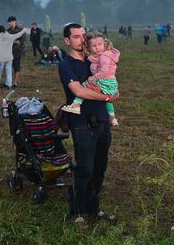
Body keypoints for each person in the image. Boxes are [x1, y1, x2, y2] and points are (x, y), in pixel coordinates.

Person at [58, 23, 118, 224]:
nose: (82, 40)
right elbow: (79, 91)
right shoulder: (66, 65)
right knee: (85, 169)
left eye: (84, 36)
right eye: (76, 36)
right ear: (67, 40)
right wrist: (106, 98)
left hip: (102, 120)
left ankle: (94, 208)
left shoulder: (96, 60)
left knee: (100, 168)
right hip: (82, 123)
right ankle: (78, 211)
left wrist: (113, 93)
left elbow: (111, 82)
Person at [61, 32, 120, 127]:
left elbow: (104, 71)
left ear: (104, 44)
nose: (97, 47)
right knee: (108, 99)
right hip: (111, 82)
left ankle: (76, 104)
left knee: (85, 85)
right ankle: (112, 117)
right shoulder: (99, 57)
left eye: (99, 44)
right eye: (94, 46)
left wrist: (93, 78)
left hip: (104, 81)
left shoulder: (103, 56)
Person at [7, 16, 26, 88]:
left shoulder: (20, 30)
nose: (9, 23)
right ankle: (9, 81)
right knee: (9, 67)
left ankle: (15, 82)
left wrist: (19, 42)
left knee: (16, 67)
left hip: (17, 51)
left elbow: (23, 39)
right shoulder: (8, 30)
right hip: (9, 51)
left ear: (14, 21)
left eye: (10, 22)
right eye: (8, 22)